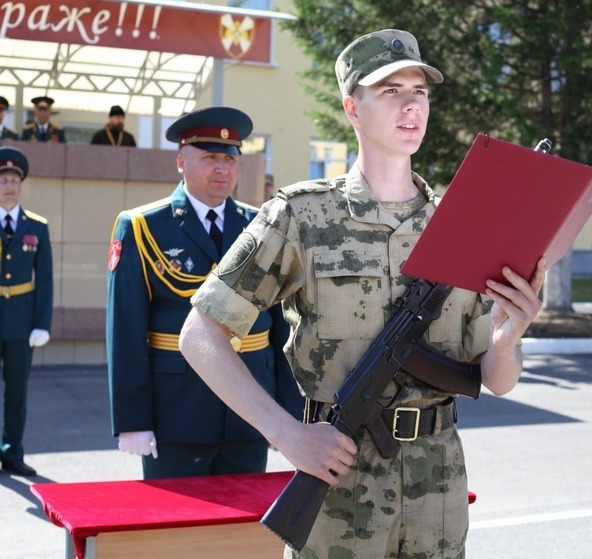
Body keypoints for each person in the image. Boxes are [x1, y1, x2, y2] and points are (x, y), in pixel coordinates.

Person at [179, 29, 545, 558]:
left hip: (436, 491)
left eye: (419, 91)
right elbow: (200, 334)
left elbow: (497, 380)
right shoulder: (302, 215)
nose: (410, 106)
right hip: (338, 486)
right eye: (390, 90)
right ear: (353, 107)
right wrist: (284, 434)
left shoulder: (462, 225)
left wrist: (508, 340)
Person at [106, 106, 302, 479]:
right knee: (177, 530)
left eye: (230, 159)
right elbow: (126, 329)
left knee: (242, 527)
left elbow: (281, 326)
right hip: (178, 409)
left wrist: (287, 408)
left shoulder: (260, 226)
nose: (222, 169)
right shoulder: (143, 226)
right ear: (181, 162)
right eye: (210, 157)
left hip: (251, 407)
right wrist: (132, 419)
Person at [0, 146, 53, 477]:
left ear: (21, 185)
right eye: (3, 179)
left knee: (16, 392)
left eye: (13, 180)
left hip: (21, 322)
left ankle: (12, 452)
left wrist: (41, 323)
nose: (8, 186)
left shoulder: (37, 226)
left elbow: (44, 278)